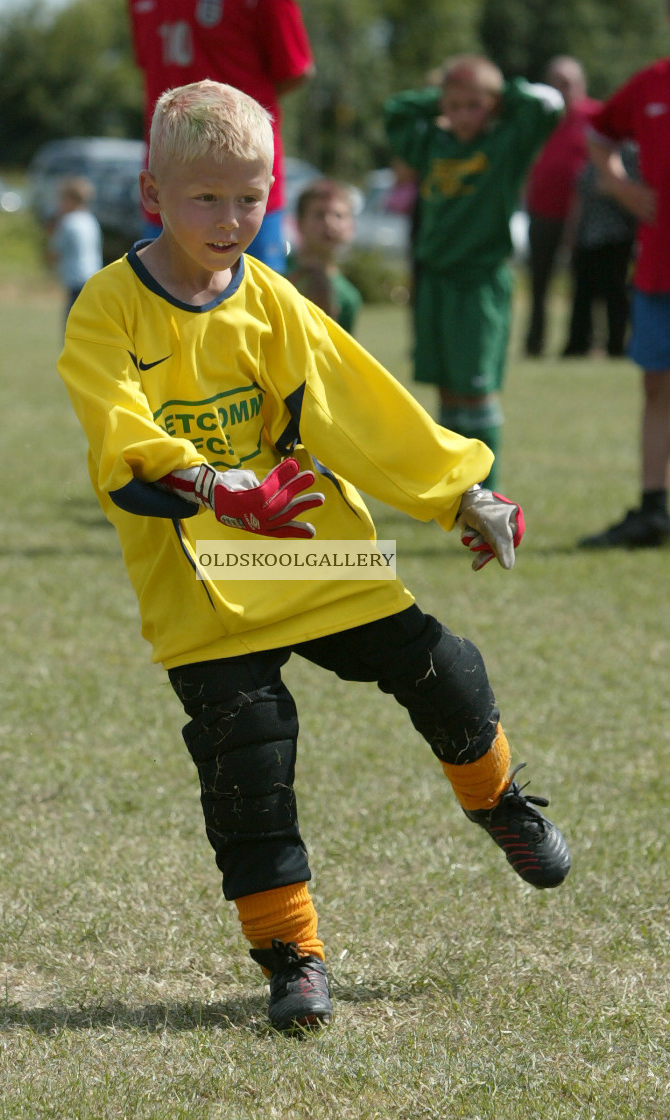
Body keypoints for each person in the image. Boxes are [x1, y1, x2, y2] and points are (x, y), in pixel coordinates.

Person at [57, 80, 570, 1034]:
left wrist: (464, 489)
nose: (229, 218)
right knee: (249, 765)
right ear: (152, 194)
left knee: (446, 668)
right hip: (200, 584)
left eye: (249, 196)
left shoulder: (273, 299)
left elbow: (360, 405)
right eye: (205, 196)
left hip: (293, 550)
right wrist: (216, 485)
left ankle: (499, 802)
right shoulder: (108, 310)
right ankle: (293, 958)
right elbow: (117, 429)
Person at [384, 56, 563, 491]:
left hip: (479, 284)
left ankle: (487, 492)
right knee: (447, 389)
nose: (463, 115)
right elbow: (394, 114)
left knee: (477, 391)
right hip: (435, 282)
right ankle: (455, 488)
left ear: (494, 105)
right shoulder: (433, 143)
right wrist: (442, 98)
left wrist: (501, 95)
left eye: (475, 105)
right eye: (455, 105)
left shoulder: (506, 144)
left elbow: (548, 107)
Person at [127, 0, 314, 272]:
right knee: (154, 304)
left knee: (258, 306)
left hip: (243, 186)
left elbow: (294, 68)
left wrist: (237, 122)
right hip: (170, 180)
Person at [578, 44, 670, 549]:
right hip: (659, 265)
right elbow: (598, 134)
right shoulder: (651, 82)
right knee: (657, 387)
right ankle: (653, 510)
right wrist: (618, 184)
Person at [523, 56, 601, 357]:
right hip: (542, 212)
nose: (562, 88)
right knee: (538, 284)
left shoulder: (595, 116)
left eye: (568, 82)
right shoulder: (539, 118)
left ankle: (581, 343)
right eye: (556, 82)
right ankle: (534, 342)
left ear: (581, 85)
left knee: (583, 284)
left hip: (585, 216)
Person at [561, 145, 638, 359]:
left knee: (615, 294)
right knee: (582, 293)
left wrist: (613, 186)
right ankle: (578, 345)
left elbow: (636, 193)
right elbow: (580, 198)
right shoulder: (592, 153)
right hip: (587, 236)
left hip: (616, 235)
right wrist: (572, 234)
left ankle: (616, 345)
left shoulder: (629, 153)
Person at [286, 178, 362, 333]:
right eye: (319, 214)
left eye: (339, 216)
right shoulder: (273, 271)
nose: (329, 222)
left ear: (351, 226)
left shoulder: (348, 298)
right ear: (299, 223)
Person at [47, 176, 103, 324]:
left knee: (71, 324)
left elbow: (54, 250)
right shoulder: (90, 220)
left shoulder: (68, 222)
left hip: (76, 280)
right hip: (94, 276)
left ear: (71, 200)